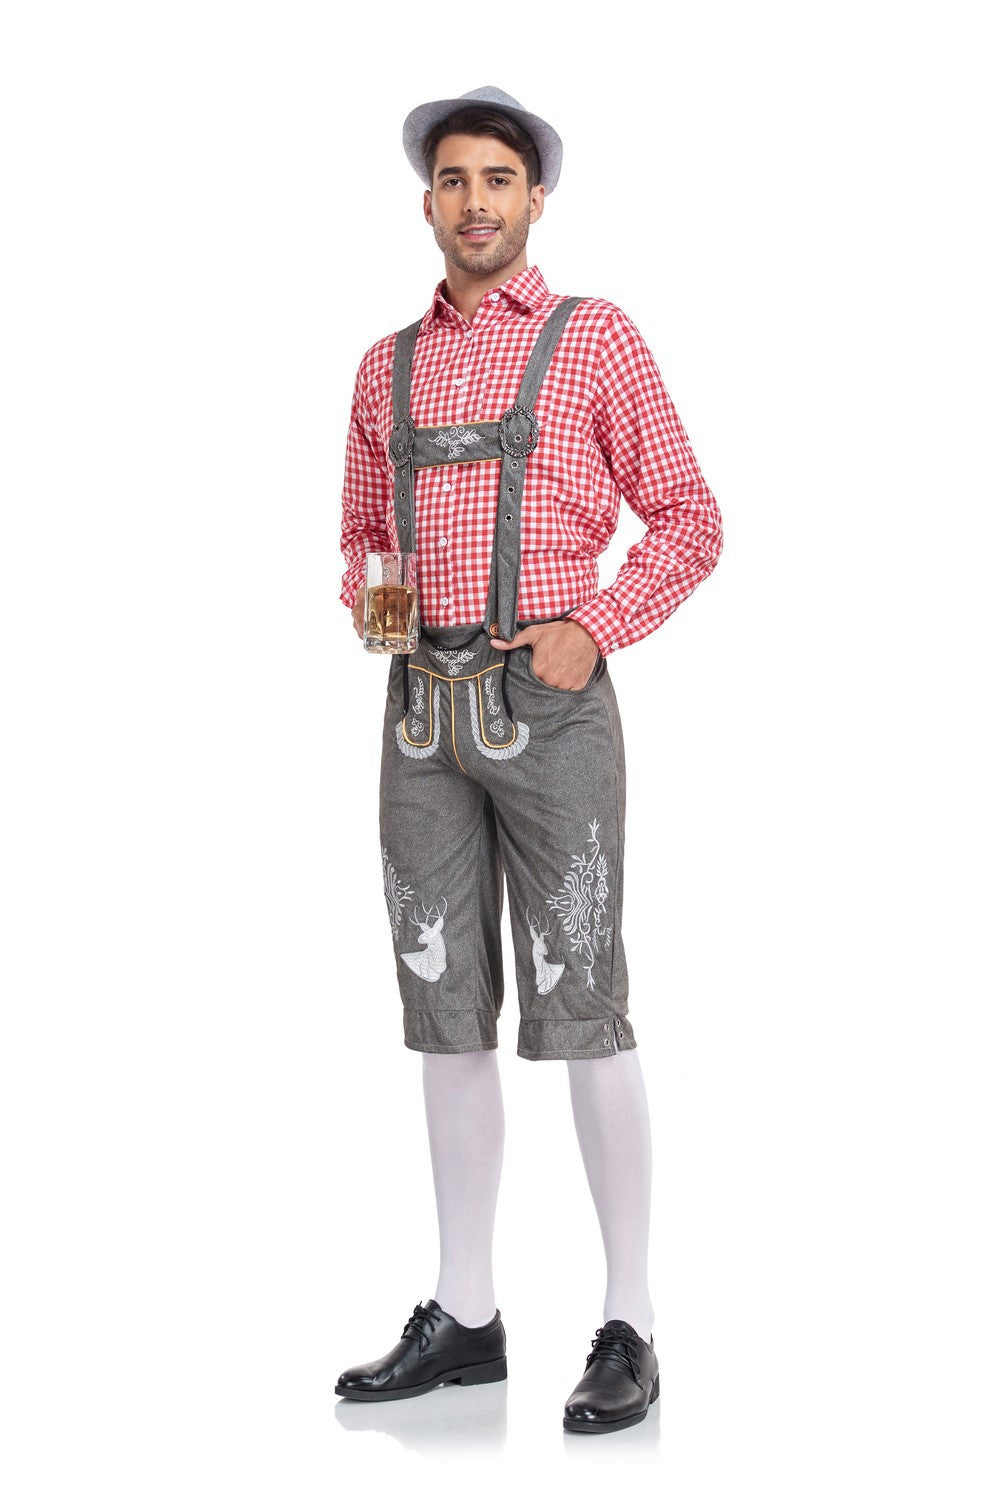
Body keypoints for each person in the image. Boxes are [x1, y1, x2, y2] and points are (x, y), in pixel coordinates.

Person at [334, 86, 723, 1435]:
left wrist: (595, 626)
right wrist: (374, 600)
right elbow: (358, 532)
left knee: (583, 1006)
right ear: (427, 203)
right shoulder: (384, 366)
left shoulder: (593, 336)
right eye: (455, 180)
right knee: (442, 1010)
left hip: (550, 716)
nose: (477, 202)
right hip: (420, 719)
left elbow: (690, 517)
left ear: (535, 200)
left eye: (499, 180)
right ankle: (468, 1316)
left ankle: (632, 1320)